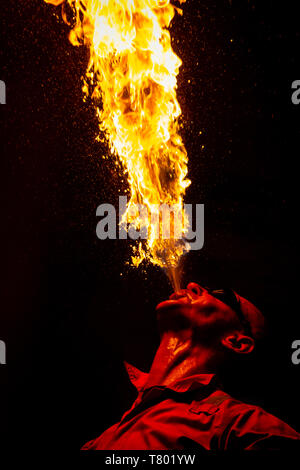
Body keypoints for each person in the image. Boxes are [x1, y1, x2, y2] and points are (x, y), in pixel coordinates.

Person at [82, 283, 300, 450]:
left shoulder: (242, 424)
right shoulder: (101, 440)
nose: (193, 285)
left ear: (237, 342)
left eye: (221, 297)